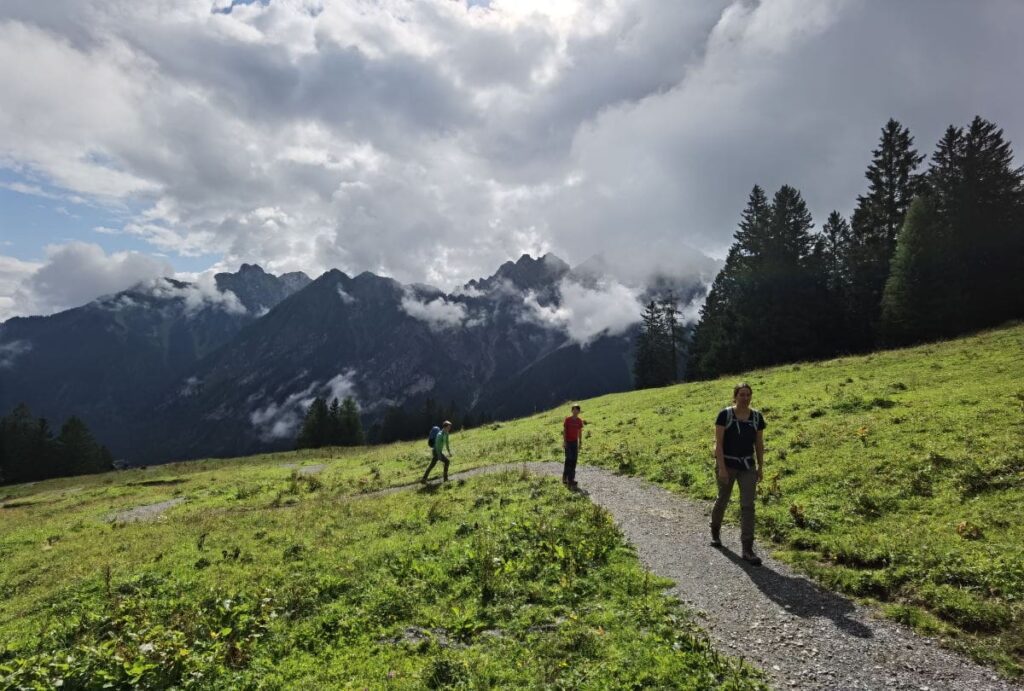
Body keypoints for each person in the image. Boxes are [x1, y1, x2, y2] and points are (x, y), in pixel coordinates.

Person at [711, 382, 766, 566]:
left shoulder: (757, 417)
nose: (745, 398)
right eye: (741, 394)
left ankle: (747, 549)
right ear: (735, 397)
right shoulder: (725, 415)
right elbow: (718, 444)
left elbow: (759, 444)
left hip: (747, 466)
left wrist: (760, 466)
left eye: (748, 394)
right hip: (727, 463)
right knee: (723, 500)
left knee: (748, 506)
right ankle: (715, 532)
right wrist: (722, 468)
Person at [562, 404, 585, 487]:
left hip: (575, 442)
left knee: (574, 460)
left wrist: (580, 442)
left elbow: (580, 432)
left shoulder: (579, 421)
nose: (575, 411)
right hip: (568, 442)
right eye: (574, 410)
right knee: (569, 460)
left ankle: (571, 479)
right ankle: (565, 478)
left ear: (579, 411)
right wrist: (564, 442)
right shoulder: (567, 420)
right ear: (572, 411)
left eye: (577, 410)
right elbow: (564, 431)